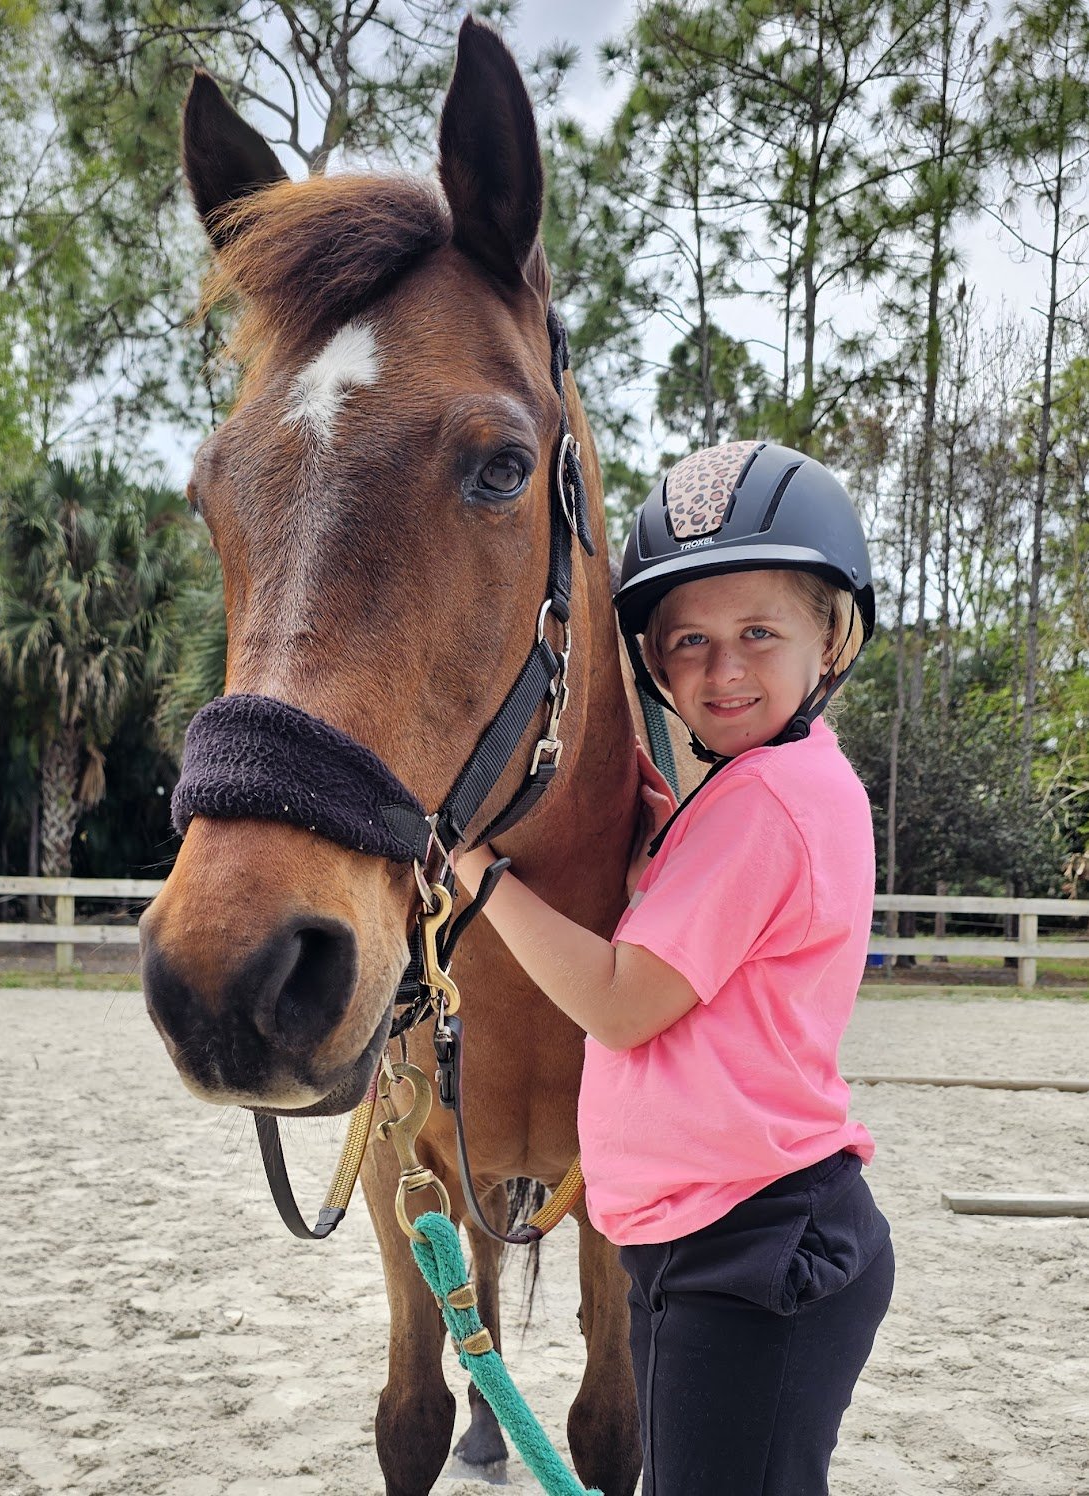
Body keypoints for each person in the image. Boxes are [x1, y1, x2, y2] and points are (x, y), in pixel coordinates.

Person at [455, 439, 894, 1495]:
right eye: (686, 640)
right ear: (650, 661)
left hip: (752, 1246)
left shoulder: (764, 803)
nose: (722, 668)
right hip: (704, 1236)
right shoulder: (760, 787)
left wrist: (477, 875)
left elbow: (626, 999)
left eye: (758, 632)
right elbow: (698, 888)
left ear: (829, 636)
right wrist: (655, 817)